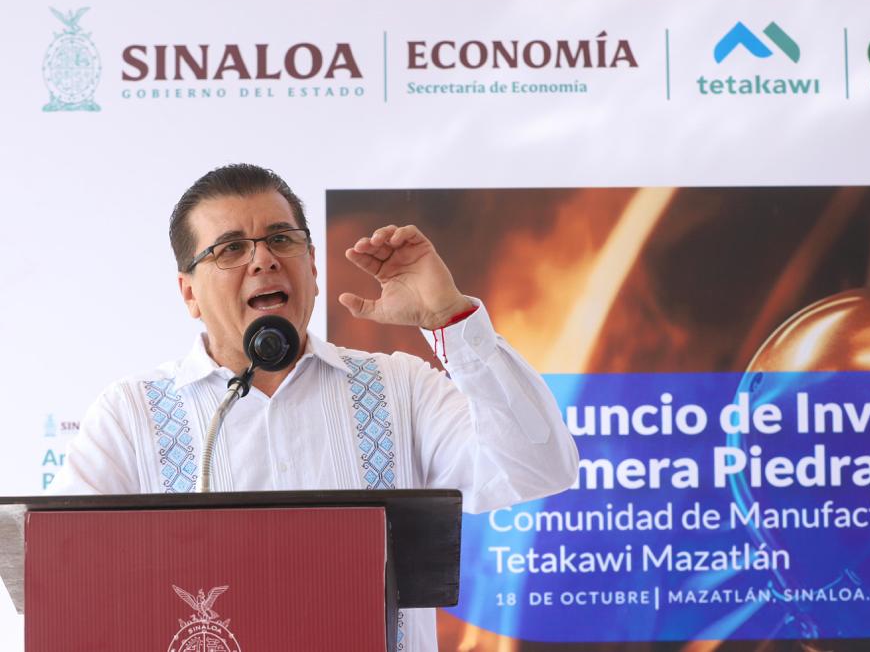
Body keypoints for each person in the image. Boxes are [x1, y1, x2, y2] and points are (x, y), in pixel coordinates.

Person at [51, 163, 579, 652]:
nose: (263, 260)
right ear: (189, 293)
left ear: (312, 267)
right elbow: (61, 576)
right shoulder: (132, 415)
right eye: (230, 249)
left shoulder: (401, 388)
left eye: (281, 239)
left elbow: (540, 468)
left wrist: (451, 319)